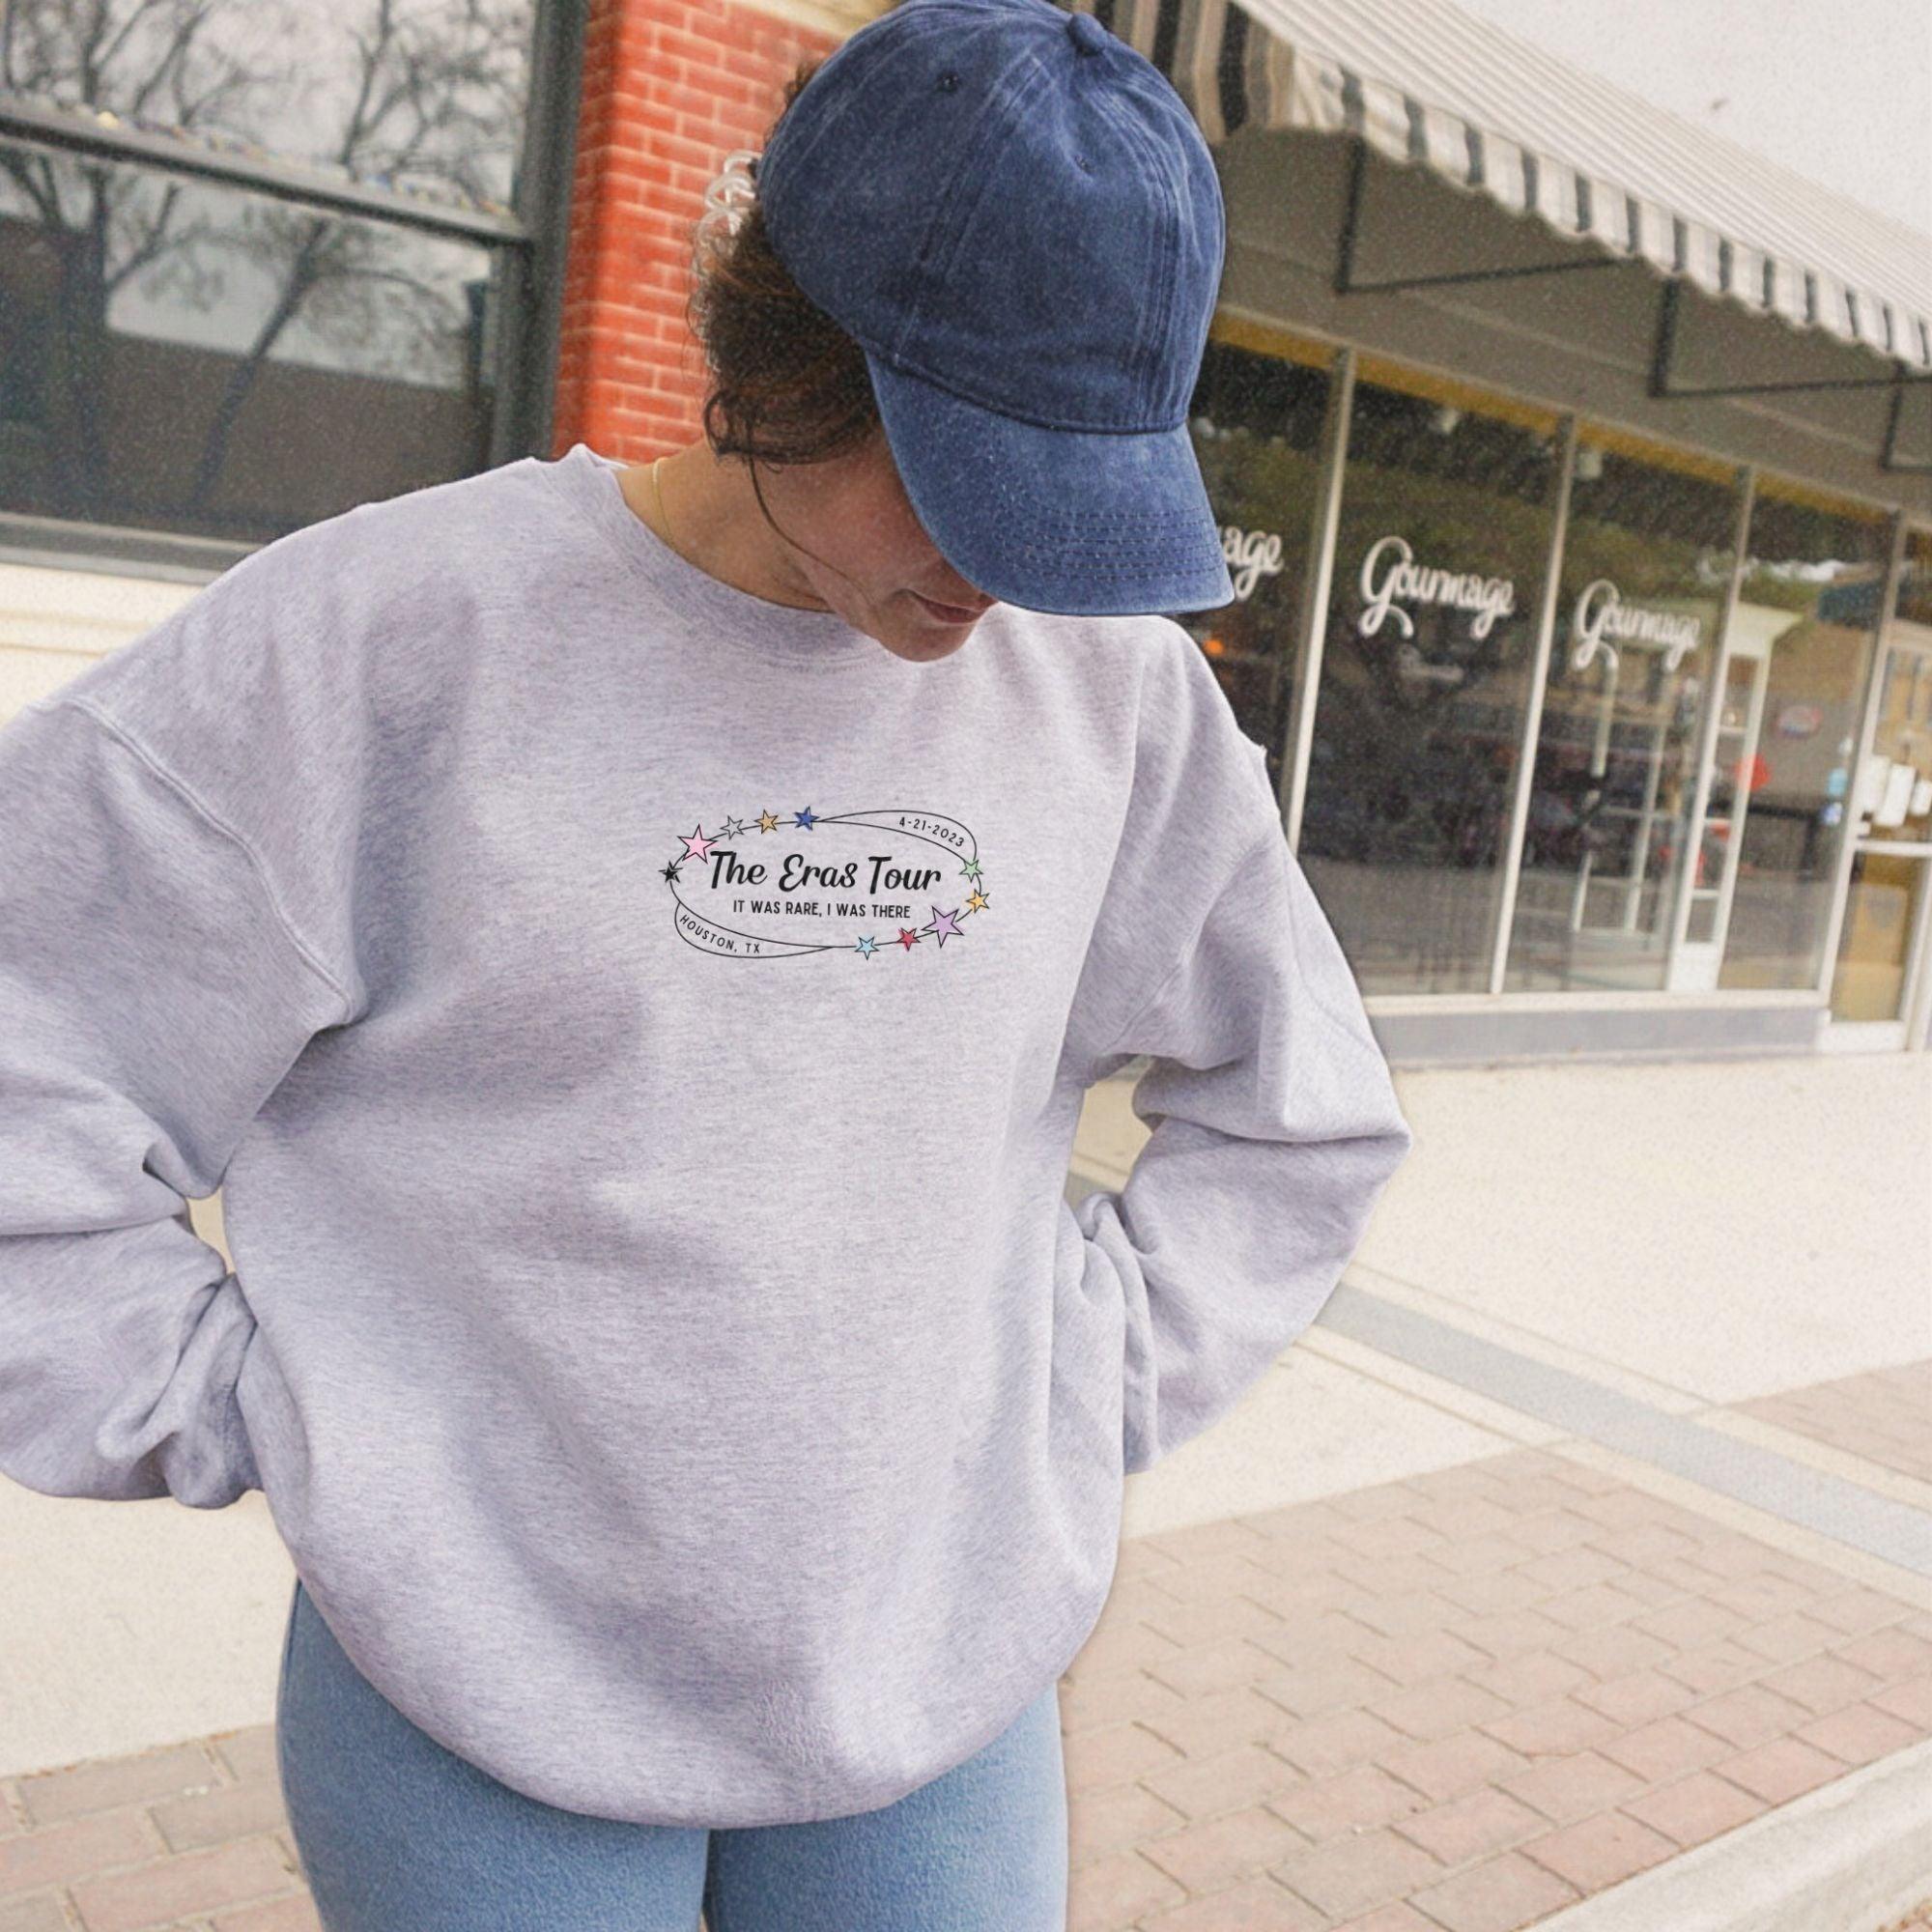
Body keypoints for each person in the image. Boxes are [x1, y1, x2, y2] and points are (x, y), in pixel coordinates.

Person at [0, 1, 1415, 1926]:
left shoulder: (1106, 698)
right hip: (481, 1702)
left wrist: (1067, 1384)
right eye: (961, 470)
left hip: (935, 1690)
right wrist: (261, 1403)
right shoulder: (388, 640)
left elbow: (1297, 1109)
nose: (1003, 566)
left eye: (1068, 491)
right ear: (783, 348)